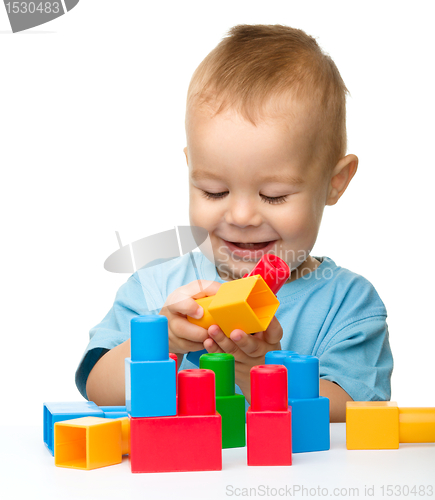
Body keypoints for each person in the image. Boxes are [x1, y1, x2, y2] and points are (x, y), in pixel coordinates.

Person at [77, 24, 393, 422]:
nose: (241, 217)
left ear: (335, 183)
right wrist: (162, 340)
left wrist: (259, 372)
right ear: (190, 168)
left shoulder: (348, 304)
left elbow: (358, 411)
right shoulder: (155, 289)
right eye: (214, 191)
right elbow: (96, 387)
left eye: (274, 195)